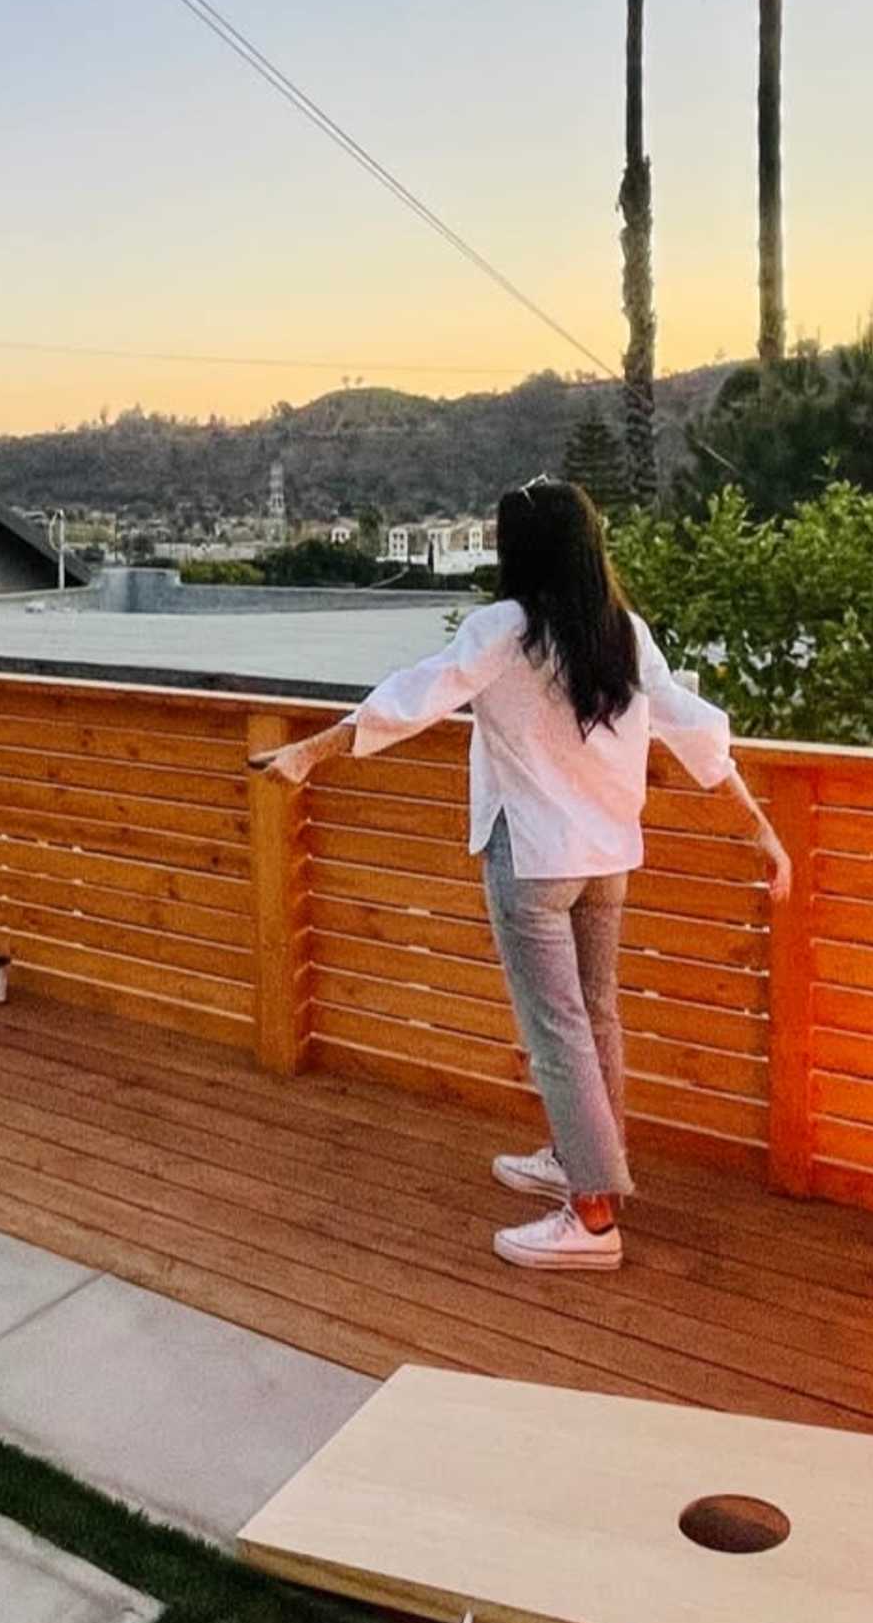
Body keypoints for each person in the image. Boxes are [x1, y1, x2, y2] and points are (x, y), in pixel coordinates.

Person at [249, 477, 791, 1273]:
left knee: (559, 1032)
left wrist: (309, 751)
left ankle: (593, 1215)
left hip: (533, 859)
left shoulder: (506, 627)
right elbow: (696, 731)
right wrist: (765, 830)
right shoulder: (621, 631)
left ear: (518, 550)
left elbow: (418, 693)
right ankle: (581, 1161)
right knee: (595, 1017)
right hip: (605, 855)